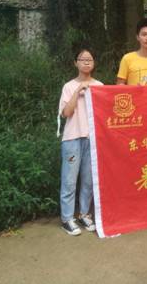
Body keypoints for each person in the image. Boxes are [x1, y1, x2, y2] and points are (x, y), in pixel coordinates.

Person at [58, 49, 103, 236]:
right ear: (75, 63)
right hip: (72, 138)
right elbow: (66, 113)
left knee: (88, 181)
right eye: (82, 59)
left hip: (92, 139)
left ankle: (85, 214)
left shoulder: (100, 86)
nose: (86, 62)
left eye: (89, 59)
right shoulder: (69, 86)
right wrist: (79, 90)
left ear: (94, 63)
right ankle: (67, 218)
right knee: (69, 181)